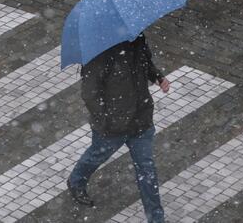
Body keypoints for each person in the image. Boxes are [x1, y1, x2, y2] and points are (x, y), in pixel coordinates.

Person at [67, 33, 170, 223]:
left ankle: (156, 219)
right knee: (97, 154)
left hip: (141, 120)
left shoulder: (137, 40)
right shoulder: (98, 53)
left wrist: (157, 76)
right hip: (112, 126)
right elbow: (90, 94)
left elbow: (146, 63)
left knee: (147, 171)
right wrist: (106, 122)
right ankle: (76, 180)